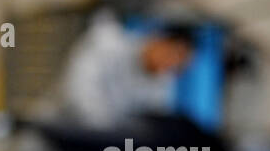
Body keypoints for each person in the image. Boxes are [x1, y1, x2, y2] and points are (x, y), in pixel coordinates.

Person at [60, 9, 195, 130]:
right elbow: (77, 90)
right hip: (63, 125)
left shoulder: (161, 90)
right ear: (158, 38)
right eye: (173, 54)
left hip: (102, 146)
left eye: (179, 65)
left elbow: (147, 127)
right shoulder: (108, 43)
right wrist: (109, 129)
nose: (171, 64)